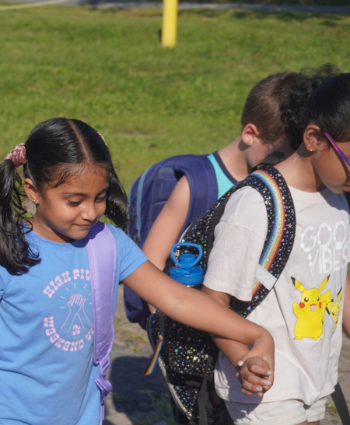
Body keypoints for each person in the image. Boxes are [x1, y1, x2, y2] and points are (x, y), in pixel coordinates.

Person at [0, 118, 276, 424]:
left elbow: (176, 299)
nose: (91, 212)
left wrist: (255, 335)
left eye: (100, 197)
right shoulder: (5, 255)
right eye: (74, 201)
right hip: (6, 417)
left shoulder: (108, 243)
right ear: (33, 190)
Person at [128, 71, 306, 423]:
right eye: (281, 155)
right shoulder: (198, 185)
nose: (287, 167)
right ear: (250, 134)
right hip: (195, 340)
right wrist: (166, 336)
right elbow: (146, 265)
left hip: (246, 342)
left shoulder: (277, 193)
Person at [202, 71, 350, 425]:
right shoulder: (256, 204)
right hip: (265, 385)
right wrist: (243, 360)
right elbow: (210, 302)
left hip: (315, 375)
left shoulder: (339, 199)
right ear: (314, 137)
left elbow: (339, 281)